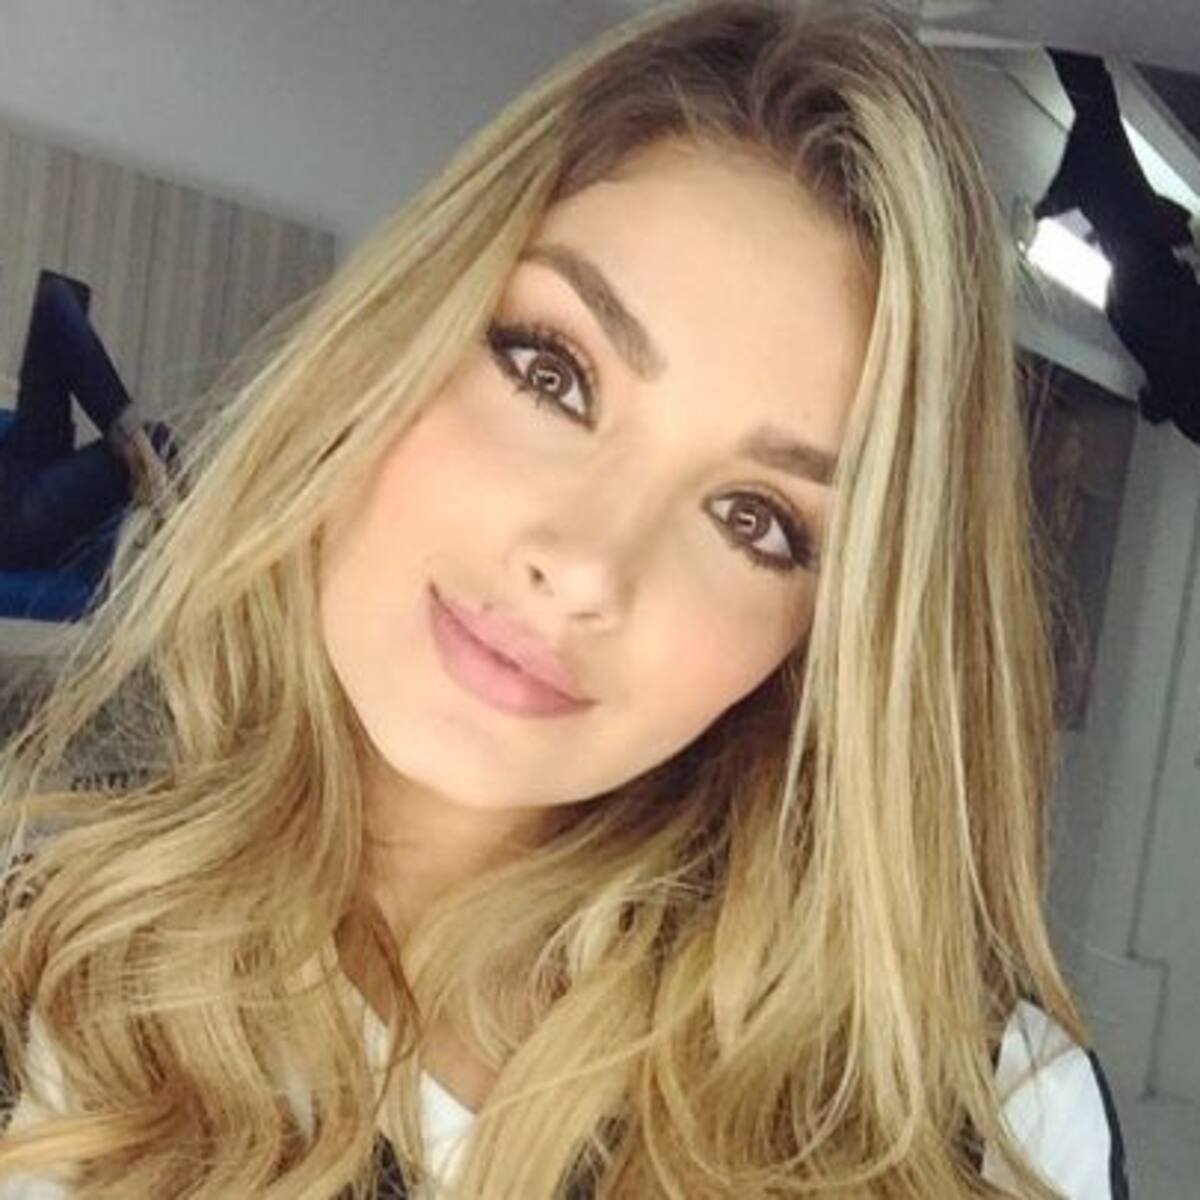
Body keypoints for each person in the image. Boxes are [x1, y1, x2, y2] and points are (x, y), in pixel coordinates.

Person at [0, 1, 1130, 1196]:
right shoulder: (40, 980)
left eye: (755, 519)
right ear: (393, 341)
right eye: (553, 372)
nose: (588, 565)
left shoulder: (977, 1114)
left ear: (819, 636)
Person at [0, 269, 177, 572]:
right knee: (158, 441)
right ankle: (142, 456)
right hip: (11, 529)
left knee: (57, 297)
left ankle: (135, 446)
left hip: (16, 468)